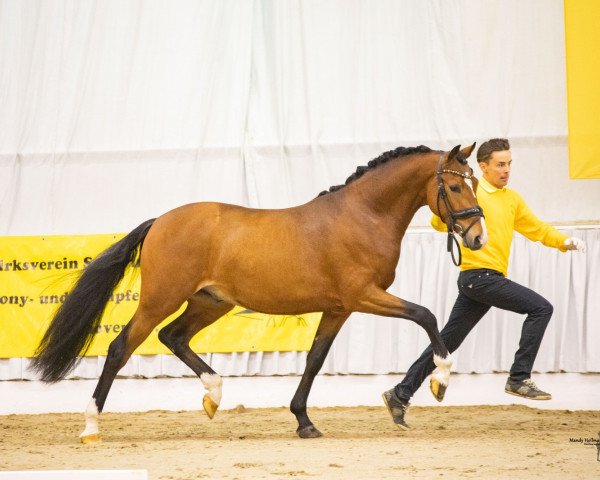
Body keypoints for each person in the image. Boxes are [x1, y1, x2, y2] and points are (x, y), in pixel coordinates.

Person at [382, 138, 586, 430]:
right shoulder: (472, 192)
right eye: (500, 164)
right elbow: (439, 221)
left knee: (447, 341)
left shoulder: (512, 199)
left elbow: (537, 230)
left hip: (485, 281)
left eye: (509, 164)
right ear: (483, 166)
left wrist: (564, 242)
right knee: (541, 308)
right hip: (478, 276)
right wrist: (446, 217)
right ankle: (518, 378)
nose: (506, 170)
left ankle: (400, 394)